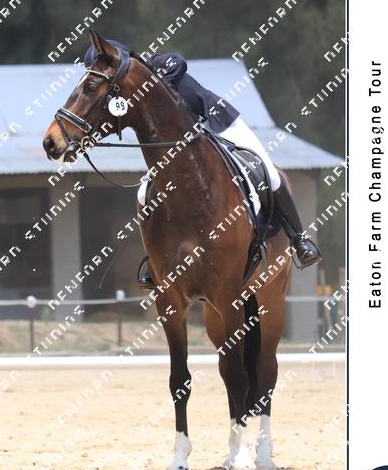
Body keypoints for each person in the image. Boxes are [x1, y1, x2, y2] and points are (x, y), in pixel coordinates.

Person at [82, 40, 321, 286]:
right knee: (144, 193)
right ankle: (154, 261)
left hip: (219, 123)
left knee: (269, 174)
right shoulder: (128, 95)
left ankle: (299, 240)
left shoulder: (155, 63)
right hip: (191, 145)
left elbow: (178, 61)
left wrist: (157, 92)